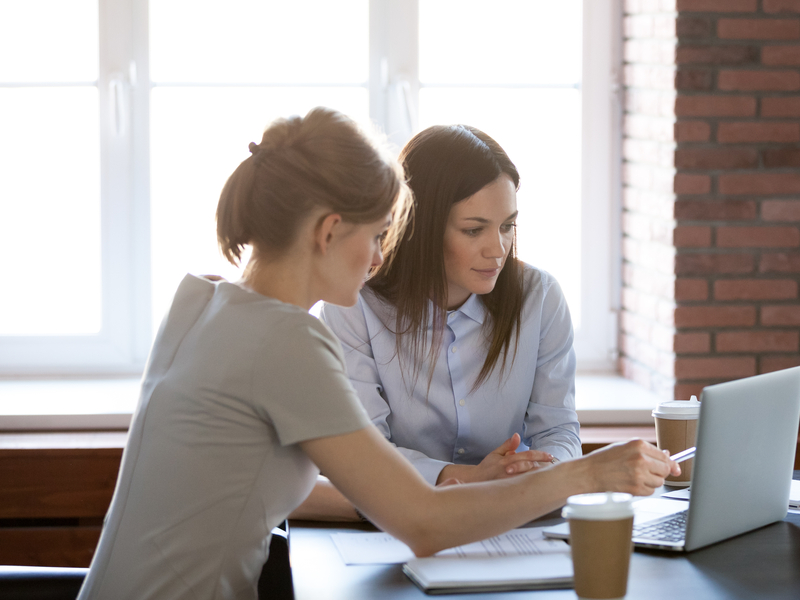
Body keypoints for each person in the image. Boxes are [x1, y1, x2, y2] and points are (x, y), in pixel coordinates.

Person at [76, 107, 679, 599]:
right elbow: (421, 523)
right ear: (329, 231)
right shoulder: (288, 341)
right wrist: (592, 472)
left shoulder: (202, 303)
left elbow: (249, 487)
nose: (381, 259)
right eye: (378, 235)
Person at [320, 124, 579, 486]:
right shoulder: (354, 305)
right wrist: (465, 478)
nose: (498, 249)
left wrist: (538, 470)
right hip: (391, 518)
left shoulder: (540, 297)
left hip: (511, 510)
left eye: (507, 226)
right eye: (474, 230)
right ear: (420, 226)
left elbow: (560, 430)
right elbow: (363, 450)